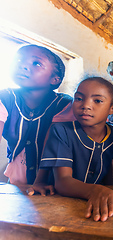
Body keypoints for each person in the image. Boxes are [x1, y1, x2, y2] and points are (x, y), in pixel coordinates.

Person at [37, 77, 113, 221]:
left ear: (112, 108)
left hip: (94, 202)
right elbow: (63, 182)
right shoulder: (62, 131)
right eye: (79, 98)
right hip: (60, 204)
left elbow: (108, 163)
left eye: (97, 101)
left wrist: (108, 189)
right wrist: (96, 190)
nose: (86, 105)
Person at [0, 44, 74, 185]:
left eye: (36, 63)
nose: (23, 66)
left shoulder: (64, 104)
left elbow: (55, 146)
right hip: (18, 180)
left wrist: (40, 181)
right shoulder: (5, 98)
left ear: (55, 79)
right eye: (19, 60)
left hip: (55, 180)